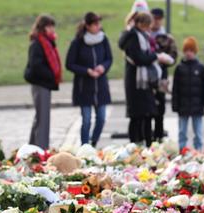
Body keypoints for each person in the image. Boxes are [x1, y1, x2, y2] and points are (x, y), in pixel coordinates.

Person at [119, 12, 172, 146]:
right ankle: (136, 144)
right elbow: (139, 58)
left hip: (145, 81)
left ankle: (148, 144)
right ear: (140, 24)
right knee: (137, 115)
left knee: (148, 114)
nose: (149, 28)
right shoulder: (133, 36)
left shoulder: (142, 36)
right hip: (136, 82)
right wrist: (156, 57)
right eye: (147, 25)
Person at [65, 12, 112, 146]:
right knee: (86, 120)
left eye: (99, 23)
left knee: (101, 118)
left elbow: (109, 58)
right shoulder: (78, 42)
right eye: (95, 24)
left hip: (101, 86)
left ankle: (94, 142)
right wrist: (87, 71)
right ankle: (84, 146)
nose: (98, 26)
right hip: (84, 86)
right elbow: (70, 64)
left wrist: (103, 67)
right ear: (88, 26)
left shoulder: (103, 39)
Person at [24, 15, 62, 150]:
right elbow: (36, 66)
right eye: (50, 26)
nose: (52, 29)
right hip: (40, 84)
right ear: (44, 27)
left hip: (45, 84)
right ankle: (40, 149)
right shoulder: (38, 43)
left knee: (40, 118)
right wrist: (51, 75)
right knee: (43, 120)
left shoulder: (47, 41)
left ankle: (33, 148)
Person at [172, 37, 204, 151]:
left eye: (191, 50)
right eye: (186, 51)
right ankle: (182, 149)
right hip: (183, 106)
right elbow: (176, 89)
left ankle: (198, 150)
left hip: (197, 105)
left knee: (198, 132)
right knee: (182, 131)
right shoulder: (179, 68)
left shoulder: (201, 68)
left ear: (195, 51)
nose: (188, 53)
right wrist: (175, 104)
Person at [150, 8, 177, 142]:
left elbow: (173, 56)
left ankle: (159, 137)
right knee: (147, 110)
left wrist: (165, 58)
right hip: (147, 78)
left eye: (158, 18)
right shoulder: (145, 35)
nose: (156, 21)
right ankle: (147, 139)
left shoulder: (166, 37)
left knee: (160, 109)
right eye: (154, 18)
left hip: (161, 78)